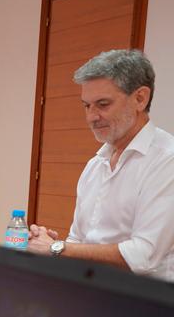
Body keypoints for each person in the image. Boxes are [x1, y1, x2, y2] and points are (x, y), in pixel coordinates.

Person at [28, 49, 174, 281]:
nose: (91, 117)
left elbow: (143, 256)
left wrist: (58, 248)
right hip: (93, 294)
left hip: (148, 308)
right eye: (87, 106)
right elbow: (78, 240)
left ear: (140, 98)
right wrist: (51, 245)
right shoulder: (95, 165)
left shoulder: (167, 160)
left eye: (103, 104)